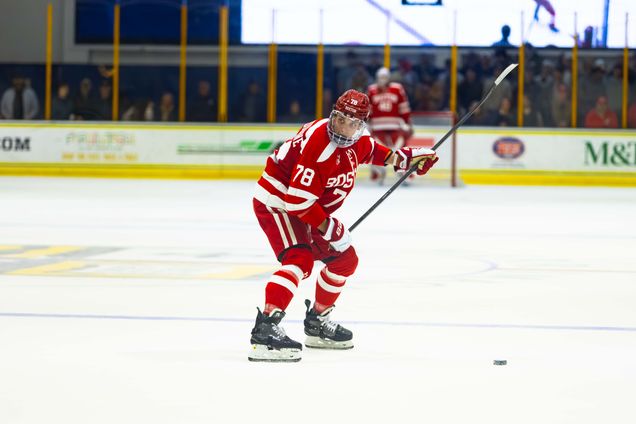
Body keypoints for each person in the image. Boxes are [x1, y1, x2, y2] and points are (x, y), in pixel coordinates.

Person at [249, 89, 438, 362]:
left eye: (352, 123)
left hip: (307, 207)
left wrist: (402, 159)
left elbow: (371, 150)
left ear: (361, 125)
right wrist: (330, 228)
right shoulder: (319, 146)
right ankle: (265, 330)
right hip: (279, 203)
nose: (343, 128)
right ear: (333, 115)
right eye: (340, 119)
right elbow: (297, 203)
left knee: (344, 260)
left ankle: (317, 322)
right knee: (299, 259)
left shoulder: (356, 140)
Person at [366, 67, 414, 184]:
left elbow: (403, 107)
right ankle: (379, 171)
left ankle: (403, 172)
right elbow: (368, 109)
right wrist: (367, 123)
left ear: (389, 78)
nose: (383, 79)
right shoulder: (372, 90)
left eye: (385, 77)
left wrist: (407, 123)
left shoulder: (397, 88)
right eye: (381, 77)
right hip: (377, 127)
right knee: (375, 150)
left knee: (401, 150)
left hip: (395, 126)